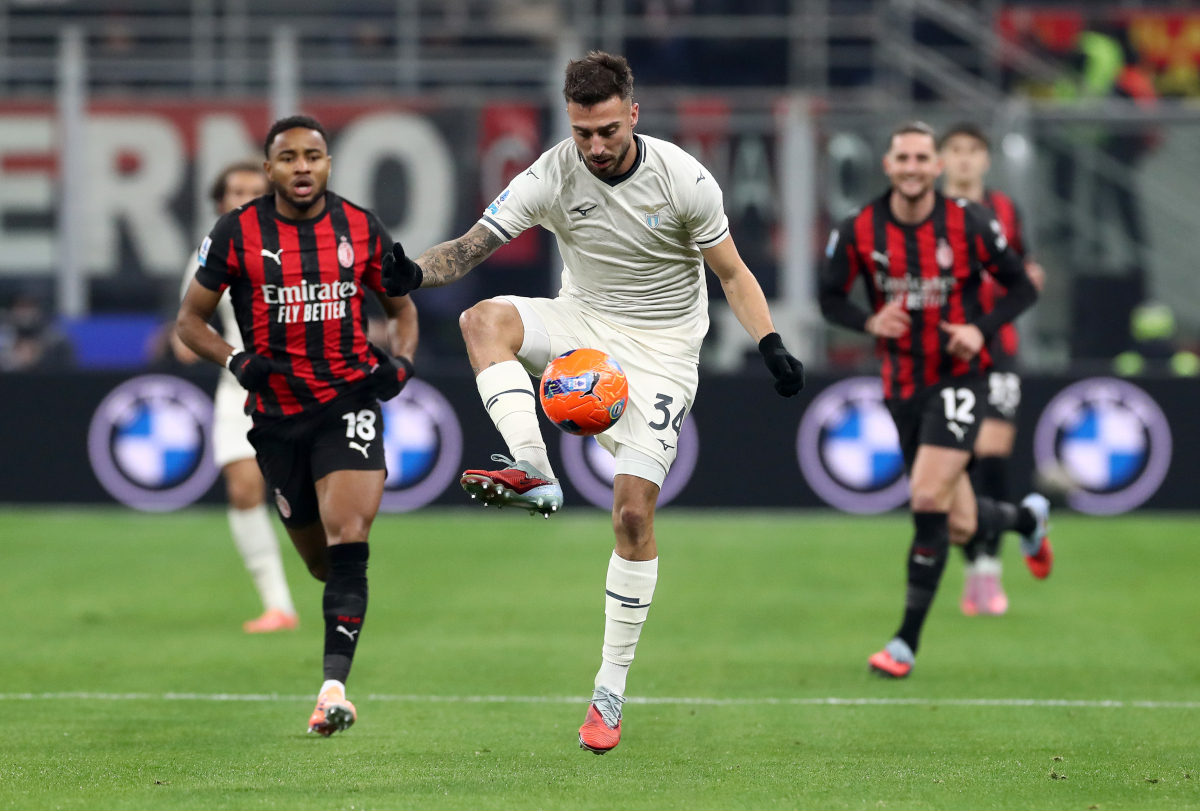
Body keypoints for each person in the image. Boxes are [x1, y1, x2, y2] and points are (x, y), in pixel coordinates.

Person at [379, 52, 804, 752]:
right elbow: (473, 245)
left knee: (633, 512)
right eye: (583, 132)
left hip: (664, 351)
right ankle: (533, 470)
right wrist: (414, 271)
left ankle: (609, 690)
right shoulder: (553, 172)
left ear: (632, 114)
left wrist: (771, 344)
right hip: (583, 322)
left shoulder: (684, 179)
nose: (596, 146)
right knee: (482, 320)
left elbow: (732, 271)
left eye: (607, 130)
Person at [176, 115, 419, 736]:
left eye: (314, 155)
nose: (303, 167)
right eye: (289, 157)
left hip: (349, 400)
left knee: (349, 539)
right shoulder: (235, 232)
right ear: (270, 169)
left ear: (329, 164)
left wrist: (402, 362)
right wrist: (235, 361)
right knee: (318, 563)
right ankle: (329, 631)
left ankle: (333, 689)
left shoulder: (362, 227)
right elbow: (190, 323)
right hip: (277, 416)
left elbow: (402, 307)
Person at [818, 121, 1052, 680]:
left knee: (925, 498)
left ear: (936, 167)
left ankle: (903, 644)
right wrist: (870, 318)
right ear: (888, 165)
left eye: (923, 158)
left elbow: (1022, 285)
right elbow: (829, 296)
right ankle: (1025, 518)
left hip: (959, 378)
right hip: (901, 384)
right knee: (958, 523)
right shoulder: (859, 229)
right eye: (904, 158)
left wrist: (981, 328)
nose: (914, 167)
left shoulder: (970, 223)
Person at [173, 161, 300, 634]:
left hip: (304, 386)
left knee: (312, 494)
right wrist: (206, 347)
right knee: (245, 488)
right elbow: (190, 323)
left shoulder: (300, 245)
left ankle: (342, 589)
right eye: (235, 191)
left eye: (254, 189)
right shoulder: (211, 254)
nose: (245, 197)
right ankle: (278, 606)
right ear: (220, 202)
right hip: (240, 386)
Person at [938, 123, 1047, 617]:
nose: (964, 160)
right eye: (955, 151)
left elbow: (1022, 269)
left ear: (985, 161)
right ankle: (977, 563)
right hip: (944, 352)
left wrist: (1030, 277)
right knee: (959, 462)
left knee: (993, 453)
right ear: (942, 160)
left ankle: (990, 570)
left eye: (973, 151)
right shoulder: (925, 214)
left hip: (997, 346)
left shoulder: (1004, 210)